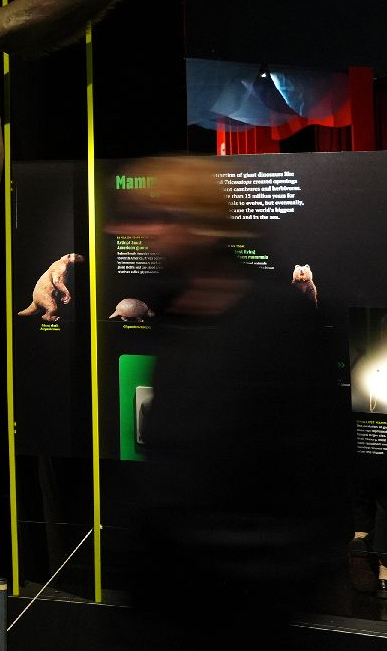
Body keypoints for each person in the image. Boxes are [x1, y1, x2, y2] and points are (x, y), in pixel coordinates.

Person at [117, 157, 349, 649]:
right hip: (168, 593)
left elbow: (321, 464)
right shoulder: (173, 315)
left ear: (198, 223)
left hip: (250, 599)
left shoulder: (279, 320)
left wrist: (288, 579)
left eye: (159, 216)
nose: (141, 231)